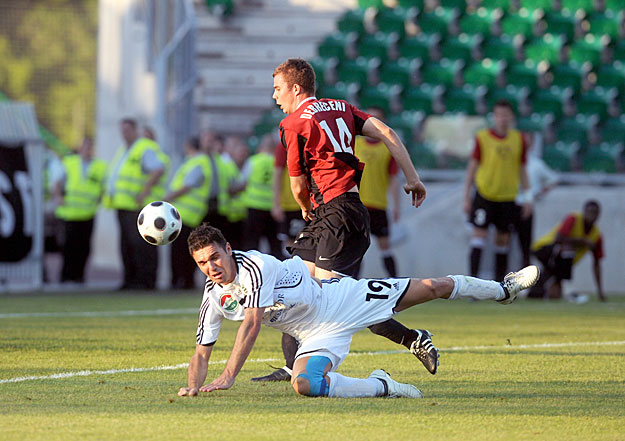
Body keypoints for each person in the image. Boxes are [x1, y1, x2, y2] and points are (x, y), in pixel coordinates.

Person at [177, 223, 540, 399]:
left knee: (433, 287)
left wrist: (228, 375)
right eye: (202, 263)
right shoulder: (214, 296)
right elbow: (201, 349)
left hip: (341, 298)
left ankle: (503, 289)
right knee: (305, 384)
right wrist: (193, 386)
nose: (211, 267)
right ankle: (384, 385)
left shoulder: (252, 266)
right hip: (317, 333)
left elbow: (252, 323)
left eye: (215, 257)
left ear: (228, 249)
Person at [258, 58, 433, 383]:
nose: (275, 96)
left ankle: (412, 338)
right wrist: (413, 178)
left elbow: (296, 185)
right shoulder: (340, 107)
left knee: (335, 300)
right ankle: (288, 364)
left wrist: (303, 207)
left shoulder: (294, 124)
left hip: (337, 215)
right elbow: (386, 131)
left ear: (296, 88)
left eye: (278, 89)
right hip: (338, 213)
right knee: (295, 282)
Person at [463, 99, 532, 282]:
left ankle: (500, 287)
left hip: (508, 197)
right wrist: (466, 197)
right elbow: (472, 167)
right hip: (485, 194)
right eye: (499, 115)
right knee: (479, 237)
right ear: (494, 117)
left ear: (511, 117)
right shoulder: (482, 137)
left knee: (503, 241)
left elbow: (523, 168)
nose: (502, 119)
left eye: (505, 115)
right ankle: (472, 285)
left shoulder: (519, 139)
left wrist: (528, 197)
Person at [104, 118, 169, 290]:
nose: (124, 133)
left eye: (127, 130)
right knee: (127, 245)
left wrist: (144, 192)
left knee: (142, 245)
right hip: (123, 205)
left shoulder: (143, 148)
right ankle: (130, 280)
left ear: (135, 130)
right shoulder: (125, 150)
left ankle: (145, 281)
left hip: (139, 207)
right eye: (122, 130)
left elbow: (158, 169)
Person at [353, 106, 401, 278]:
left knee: (385, 246)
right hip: (357, 205)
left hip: (379, 205)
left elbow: (394, 179)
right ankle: (352, 287)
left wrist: (396, 205)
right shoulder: (354, 143)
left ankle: (396, 285)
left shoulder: (388, 148)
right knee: (355, 248)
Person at [53, 137, 107, 283]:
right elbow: (57, 182)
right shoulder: (70, 163)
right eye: (84, 147)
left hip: (88, 213)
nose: (86, 150)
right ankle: (66, 276)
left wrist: (101, 199)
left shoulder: (99, 166)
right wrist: (58, 197)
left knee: (84, 248)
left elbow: (103, 186)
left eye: (89, 147)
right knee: (68, 247)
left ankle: (79, 276)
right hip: (70, 213)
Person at [528, 200, 605, 301]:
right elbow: (558, 238)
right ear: (584, 211)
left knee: (553, 295)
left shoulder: (597, 236)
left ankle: (531, 292)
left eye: (595, 212)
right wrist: (581, 241)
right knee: (567, 248)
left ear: (599, 215)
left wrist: (600, 291)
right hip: (543, 249)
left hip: (562, 262)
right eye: (589, 212)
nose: (591, 215)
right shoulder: (573, 218)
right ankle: (569, 290)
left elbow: (596, 263)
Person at [164, 136, 214, 290]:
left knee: (181, 251)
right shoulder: (198, 161)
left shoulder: (198, 162)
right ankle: (183, 280)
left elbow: (188, 185)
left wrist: (168, 197)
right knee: (183, 251)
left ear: (188, 146)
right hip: (187, 214)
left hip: (186, 215)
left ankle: (181, 281)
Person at [513, 132, 558, 267]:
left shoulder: (536, 164)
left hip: (526, 206)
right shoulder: (510, 162)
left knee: (526, 246)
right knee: (504, 243)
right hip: (509, 204)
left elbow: (553, 179)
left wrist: (540, 192)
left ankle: (524, 280)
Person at [236, 134, 283, 258]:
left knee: (251, 245)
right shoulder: (278, 162)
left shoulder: (253, 161)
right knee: (274, 245)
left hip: (254, 207)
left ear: (261, 147)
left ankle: (250, 270)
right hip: (273, 208)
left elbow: (242, 182)